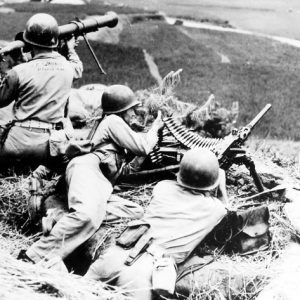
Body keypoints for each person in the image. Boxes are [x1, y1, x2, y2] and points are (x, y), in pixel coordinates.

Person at [23, 84, 164, 266]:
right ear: (121, 110)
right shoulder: (113, 120)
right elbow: (143, 146)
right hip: (86, 170)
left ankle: (60, 218)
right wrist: (155, 129)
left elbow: (124, 171)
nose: (133, 115)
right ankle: (32, 257)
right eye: (131, 110)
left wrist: (136, 161)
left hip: (100, 183)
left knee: (135, 212)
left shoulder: (116, 133)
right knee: (87, 216)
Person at [84, 148, 228, 300]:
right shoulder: (215, 209)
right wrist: (221, 185)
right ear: (212, 182)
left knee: (74, 292)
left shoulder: (163, 187)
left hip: (115, 255)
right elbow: (226, 208)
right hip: (144, 271)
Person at [0, 13, 83, 170]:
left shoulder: (18, 72)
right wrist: (70, 48)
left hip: (18, 145)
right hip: (51, 147)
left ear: (28, 43)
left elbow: (1, 100)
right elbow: (76, 65)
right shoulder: (68, 68)